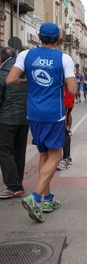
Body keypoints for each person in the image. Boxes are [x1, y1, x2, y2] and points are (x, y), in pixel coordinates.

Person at [6, 22, 77, 222]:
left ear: (38, 36)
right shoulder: (64, 58)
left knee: (44, 153)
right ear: (59, 39)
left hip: (33, 112)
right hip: (54, 114)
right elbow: (72, 89)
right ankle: (35, 196)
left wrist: (26, 82)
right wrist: (62, 80)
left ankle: (47, 198)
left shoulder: (25, 55)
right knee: (57, 154)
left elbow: (10, 80)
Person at [0, 47, 29, 199]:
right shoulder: (24, 73)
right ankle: (18, 181)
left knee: (4, 151)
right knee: (19, 151)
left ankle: (13, 185)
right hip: (24, 119)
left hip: (6, 119)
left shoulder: (2, 74)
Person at [56, 84, 74, 171]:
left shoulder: (65, 71)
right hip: (59, 102)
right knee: (60, 130)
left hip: (65, 102)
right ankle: (64, 157)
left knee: (63, 130)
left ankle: (66, 158)